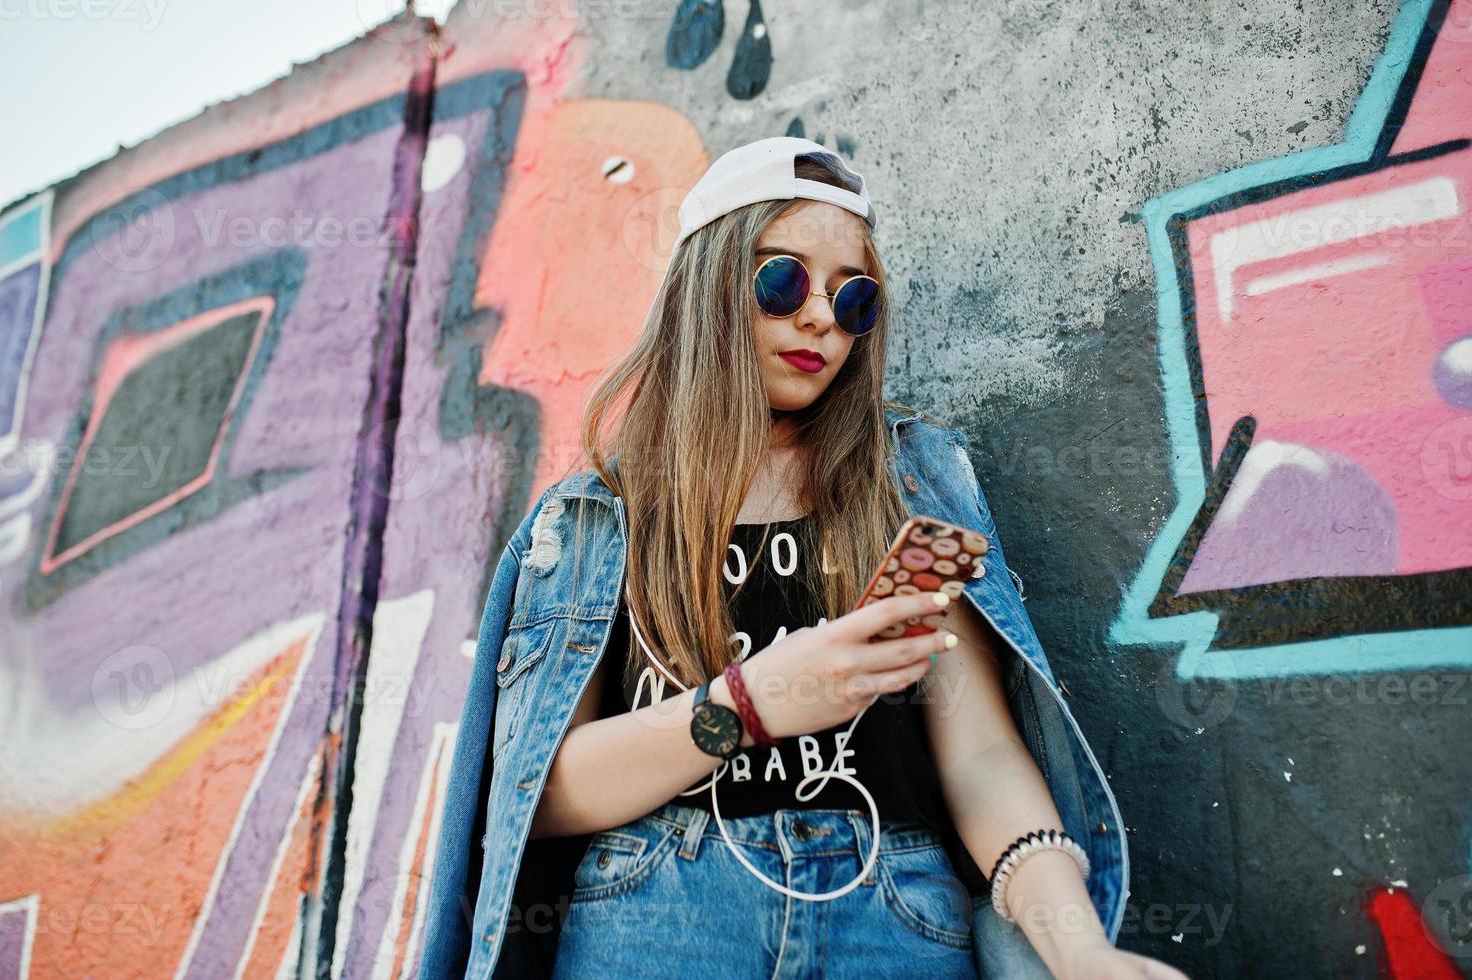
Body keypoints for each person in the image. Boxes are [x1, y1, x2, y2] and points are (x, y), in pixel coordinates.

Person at [420, 137, 1190, 980]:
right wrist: (752, 704)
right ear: (706, 285)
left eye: (852, 299)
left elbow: (978, 755)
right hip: (660, 919)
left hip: (895, 919)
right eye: (782, 282)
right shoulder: (598, 516)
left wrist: (1077, 948)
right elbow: (541, 792)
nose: (820, 318)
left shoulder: (910, 486)